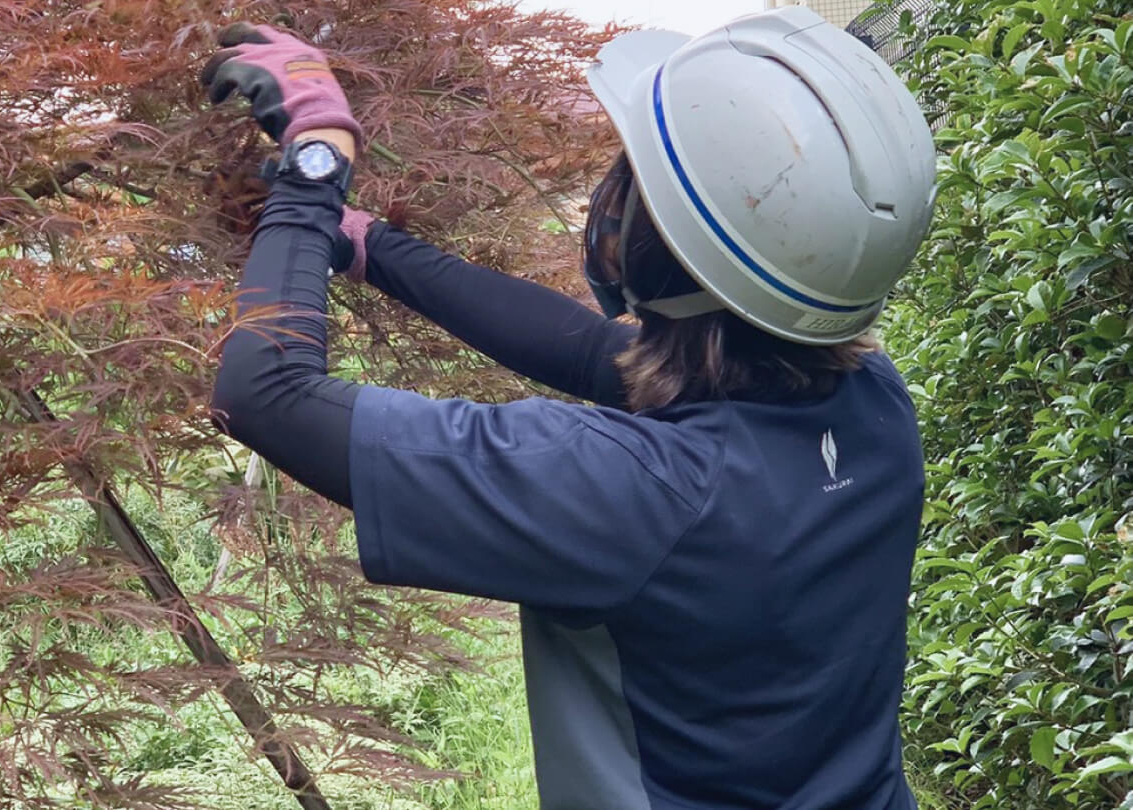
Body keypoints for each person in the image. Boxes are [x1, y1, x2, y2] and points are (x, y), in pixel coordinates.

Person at [201, 6, 937, 809]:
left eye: (633, 186)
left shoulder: (640, 494)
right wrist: (363, 240)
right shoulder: (872, 402)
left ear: (660, 257)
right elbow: (595, 353)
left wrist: (316, 159)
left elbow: (263, 394)